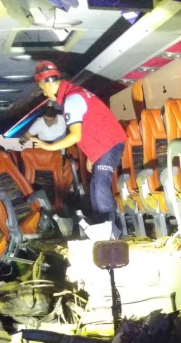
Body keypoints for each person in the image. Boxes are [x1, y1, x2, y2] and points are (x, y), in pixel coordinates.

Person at [31, 61, 126, 237]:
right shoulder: (75, 93)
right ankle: (107, 231)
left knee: (99, 187)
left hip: (109, 143)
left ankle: (111, 234)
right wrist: (93, 154)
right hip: (106, 144)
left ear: (49, 84)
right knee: (96, 188)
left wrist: (49, 146)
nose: (44, 93)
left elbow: (75, 136)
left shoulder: (72, 99)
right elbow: (94, 123)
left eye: (43, 88)